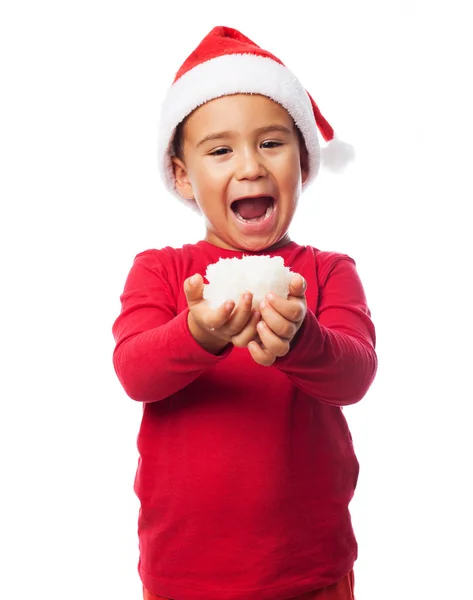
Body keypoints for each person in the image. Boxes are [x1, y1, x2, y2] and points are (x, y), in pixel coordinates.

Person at [112, 25, 378, 600]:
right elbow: (135, 372)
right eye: (221, 150)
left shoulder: (329, 272)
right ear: (183, 176)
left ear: (303, 162)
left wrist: (303, 339)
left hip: (309, 569)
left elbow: (355, 376)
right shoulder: (160, 271)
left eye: (271, 143)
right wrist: (197, 332)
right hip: (185, 573)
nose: (251, 166)